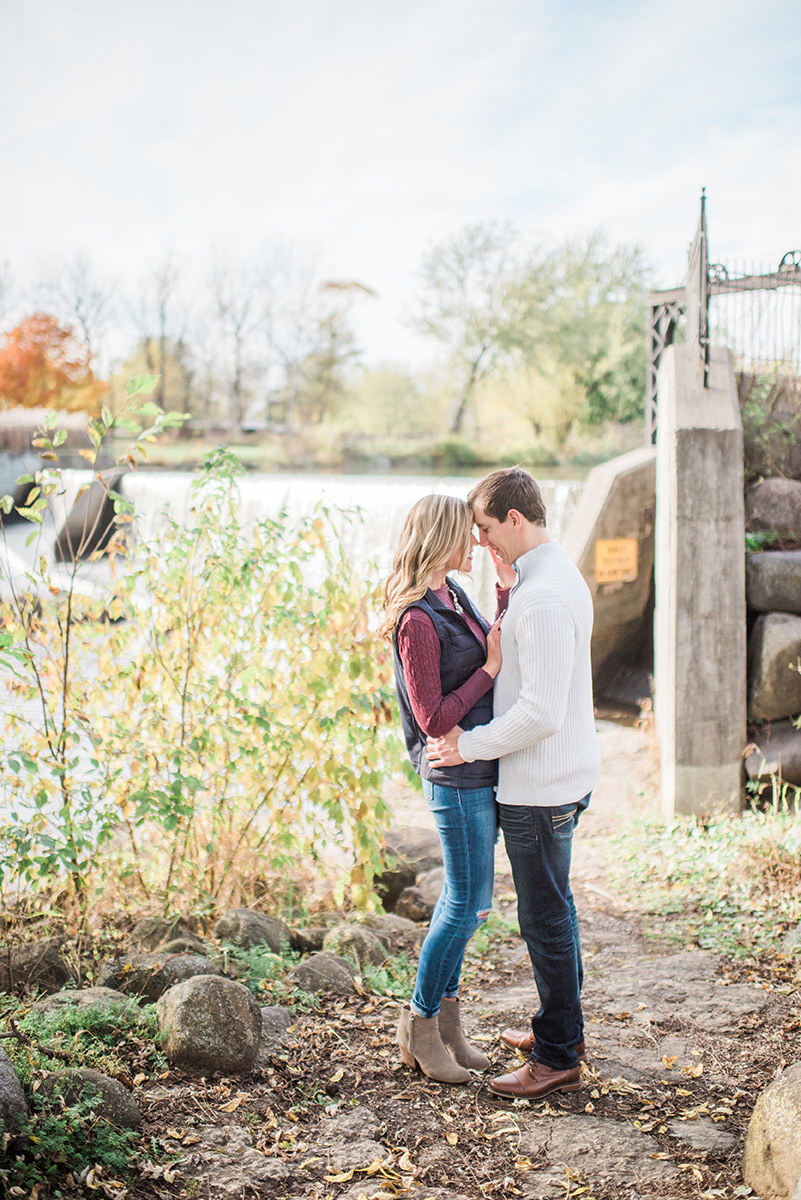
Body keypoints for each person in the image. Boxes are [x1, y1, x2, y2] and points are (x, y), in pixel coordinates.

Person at [427, 466, 601, 1100]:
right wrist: (509, 591)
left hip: (541, 789)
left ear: (515, 521)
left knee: (547, 921)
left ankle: (557, 1055)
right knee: (557, 915)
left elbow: (540, 712)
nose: (479, 543)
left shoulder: (547, 596)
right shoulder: (544, 579)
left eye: (485, 529)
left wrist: (465, 744)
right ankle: (563, 1028)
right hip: (556, 779)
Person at [380, 494, 513, 1084]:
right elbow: (432, 718)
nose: (476, 543)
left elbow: (494, 638)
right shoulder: (415, 618)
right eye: (468, 533)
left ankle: (449, 1027)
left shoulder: (453, 595)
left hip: (477, 766)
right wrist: (488, 672)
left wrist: (506, 589)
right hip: (452, 777)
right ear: (440, 537)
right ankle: (420, 1023)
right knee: (466, 903)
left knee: (473, 905)